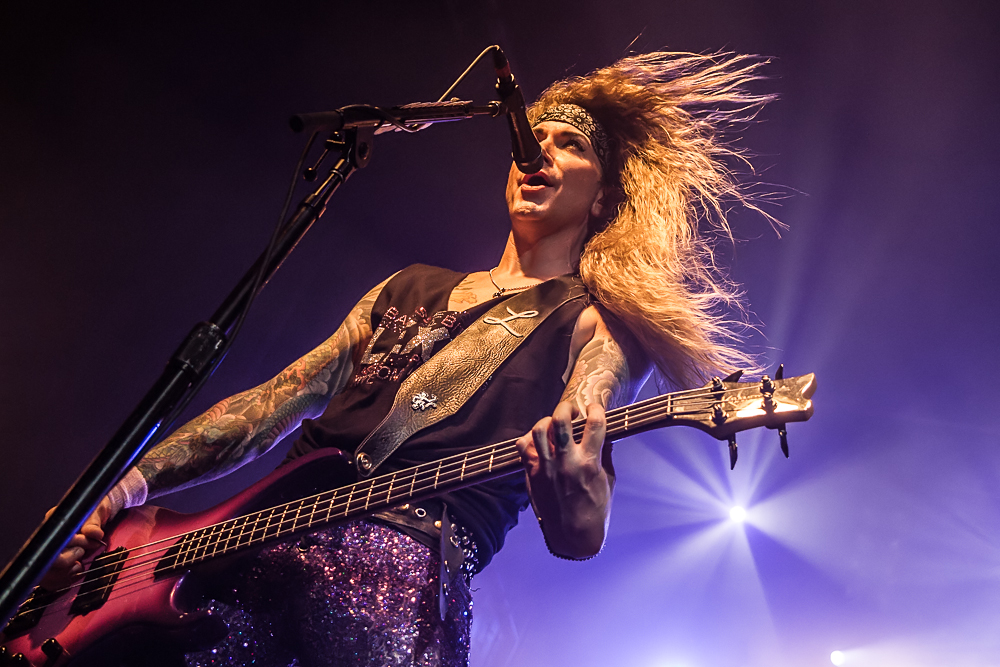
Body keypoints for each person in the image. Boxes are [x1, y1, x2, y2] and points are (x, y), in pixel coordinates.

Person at [43, 51, 773, 666]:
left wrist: (579, 493)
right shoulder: (407, 286)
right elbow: (268, 407)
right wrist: (119, 491)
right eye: (533, 136)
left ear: (603, 197)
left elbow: (581, 513)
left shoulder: (594, 323)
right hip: (248, 545)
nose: (539, 151)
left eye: (569, 145)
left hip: (394, 578)